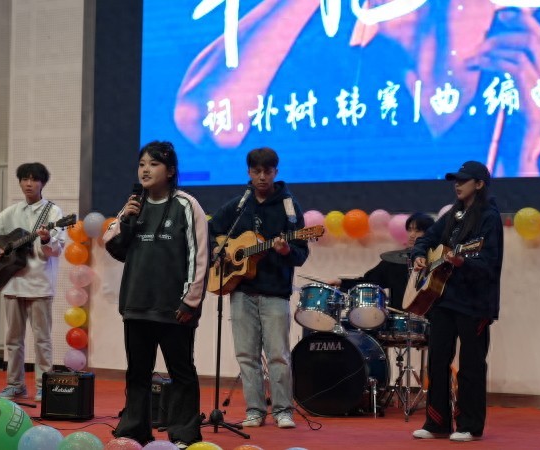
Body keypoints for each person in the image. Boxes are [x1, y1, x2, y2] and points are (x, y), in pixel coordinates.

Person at [173, 2, 540, 179]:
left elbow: (515, 217)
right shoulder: (325, 44)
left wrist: (525, 145)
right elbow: (205, 120)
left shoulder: (530, 55)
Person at [103, 141, 209, 448]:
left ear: (171, 170)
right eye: (141, 164)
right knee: (138, 372)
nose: (145, 170)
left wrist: (191, 300)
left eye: (153, 164)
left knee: (181, 372)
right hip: (136, 305)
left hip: (175, 308)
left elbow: (200, 256)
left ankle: (184, 434)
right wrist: (125, 219)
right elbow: (112, 244)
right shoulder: (134, 205)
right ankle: (134, 430)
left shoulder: (187, 205)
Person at [208, 147, 309, 428]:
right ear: (249, 172)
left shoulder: (289, 208)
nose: (262, 177)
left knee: (278, 355)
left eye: (267, 171)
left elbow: (301, 253)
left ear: (276, 172)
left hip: (275, 291)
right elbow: (212, 230)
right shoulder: (239, 205)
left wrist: (286, 250)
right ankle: (254, 410)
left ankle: (283, 410)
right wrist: (220, 249)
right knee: (246, 355)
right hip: (241, 290)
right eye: (256, 171)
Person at [410, 161, 503, 442]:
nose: (457, 185)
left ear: (479, 184)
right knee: (437, 361)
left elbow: (489, 262)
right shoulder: (453, 214)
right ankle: (437, 423)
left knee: (471, 365)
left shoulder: (489, 217)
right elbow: (426, 239)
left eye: (463, 180)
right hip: (443, 299)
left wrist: (463, 261)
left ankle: (469, 426)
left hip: (475, 302)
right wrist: (419, 254)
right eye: (455, 180)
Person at [0, 162, 64, 402]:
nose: (29, 184)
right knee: (13, 340)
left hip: (39, 283)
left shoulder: (53, 213)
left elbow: (56, 250)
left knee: (42, 339)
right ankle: (15, 384)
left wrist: (45, 239)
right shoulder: (12, 211)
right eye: (25, 179)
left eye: (34, 179)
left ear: (42, 183)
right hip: (12, 281)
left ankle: (44, 386)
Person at [330, 213, 436, 311]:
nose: (412, 235)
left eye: (417, 231)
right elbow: (370, 281)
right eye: (409, 230)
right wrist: (341, 283)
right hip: (399, 318)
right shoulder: (395, 260)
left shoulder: (435, 260)